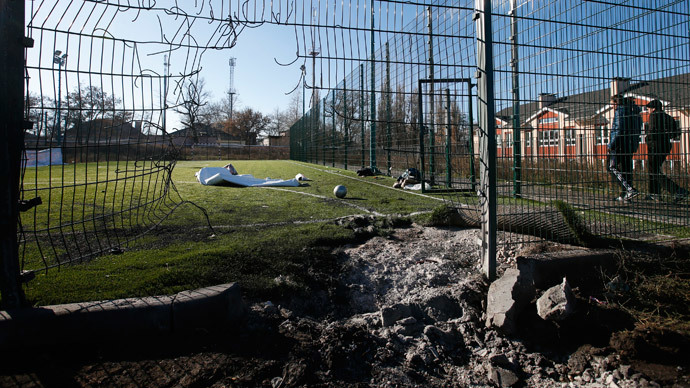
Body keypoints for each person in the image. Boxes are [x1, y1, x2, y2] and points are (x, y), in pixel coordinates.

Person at [644, 99, 688, 202]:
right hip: (666, 145)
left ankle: (677, 191)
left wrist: (647, 139)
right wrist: (666, 135)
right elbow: (675, 132)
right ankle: (654, 194)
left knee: (653, 170)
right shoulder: (668, 117)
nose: (648, 110)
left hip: (655, 146)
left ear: (653, 108)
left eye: (648, 108)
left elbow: (652, 131)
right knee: (654, 169)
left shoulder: (654, 116)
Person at [607, 95, 642, 202]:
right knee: (627, 169)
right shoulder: (635, 112)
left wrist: (611, 145)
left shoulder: (620, 111)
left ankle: (629, 189)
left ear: (616, 103)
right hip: (630, 145)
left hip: (619, 145)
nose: (612, 106)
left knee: (611, 167)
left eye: (612, 104)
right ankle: (625, 195)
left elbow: (618, 130)